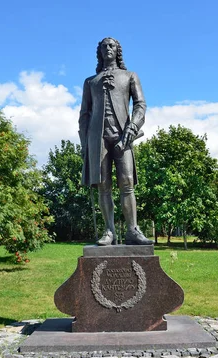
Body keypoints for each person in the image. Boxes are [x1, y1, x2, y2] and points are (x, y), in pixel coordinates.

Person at [79, 37, 153, 246]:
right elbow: (84, 114)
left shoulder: (129, 76)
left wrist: (133, 127)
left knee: (127, 182)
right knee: (104, 185)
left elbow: (140, 105)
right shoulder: (90, 82)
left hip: (123, 137)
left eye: (111, 45)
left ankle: (132, 230)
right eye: (104, 46)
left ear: (118, 51)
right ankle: (109, 231)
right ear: (99, 52)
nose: (107, 48)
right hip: (98, 138)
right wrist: (85, 143)